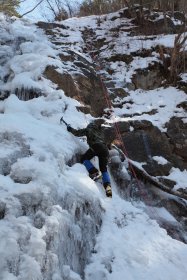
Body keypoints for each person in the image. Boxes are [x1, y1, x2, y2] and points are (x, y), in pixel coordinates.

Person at [66, 120, 112, 197]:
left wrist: (69, 128)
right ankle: (108, 188)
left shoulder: (88, 129)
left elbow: (77, 133)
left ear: (90, 126)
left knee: (84, 158)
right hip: (105, 150)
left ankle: (94, 172)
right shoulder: (99, 133)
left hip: (96, 146)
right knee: (104, 169)